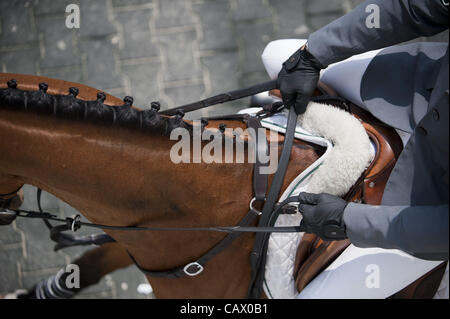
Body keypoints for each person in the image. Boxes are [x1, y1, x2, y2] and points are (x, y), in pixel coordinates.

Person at [277, 0, 448, 261]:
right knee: (275, 54)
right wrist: (312, 54)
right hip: (418, 85)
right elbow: (413, 7)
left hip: (423, 211)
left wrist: (350, 221)